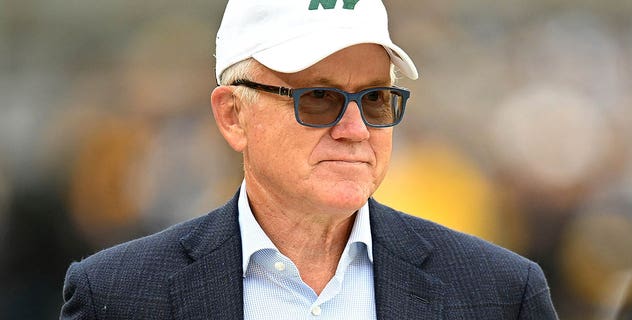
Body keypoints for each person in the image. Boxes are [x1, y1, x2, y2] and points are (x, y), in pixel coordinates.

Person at [60, 0, 558, 319]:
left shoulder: (501, 294)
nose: (356, 129)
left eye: (376, 99)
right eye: (318, 98)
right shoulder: (117, 297)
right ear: (233, 115)